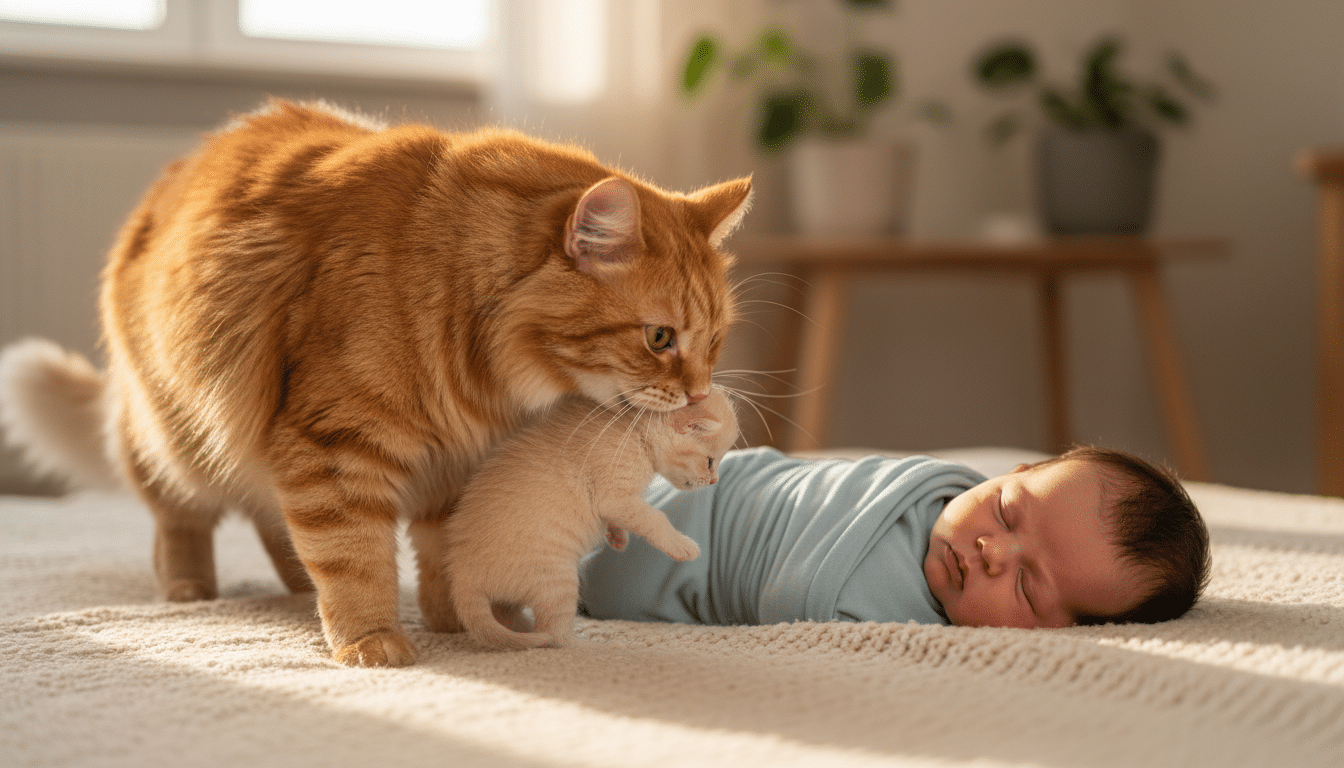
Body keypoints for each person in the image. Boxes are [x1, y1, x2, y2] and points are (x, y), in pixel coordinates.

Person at [578, 445, 1210, 629]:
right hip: (716, 491)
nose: (994, 552)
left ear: (1059, 636)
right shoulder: (930, 488)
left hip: (677, 564)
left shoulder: (906, 632)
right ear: (1010, 474)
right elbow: (808, 484)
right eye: (1007, 511)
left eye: (1028, 583)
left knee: (588, 571)